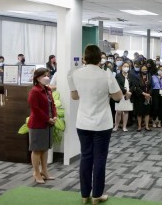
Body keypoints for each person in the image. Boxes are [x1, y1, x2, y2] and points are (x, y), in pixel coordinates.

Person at [68, 45, 123, 204]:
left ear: (84, 58)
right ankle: (97, 195)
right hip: (102, 123)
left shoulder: (74, 73)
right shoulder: (106, 75)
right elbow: (118, 97)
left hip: (83, 122)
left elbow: (74, 96)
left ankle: (85, 194)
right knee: (100, 158)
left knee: (85, 157)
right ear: (101, 58)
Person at [27, 68, 57, 184]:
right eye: (45, 75)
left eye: (48, 75)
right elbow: (35, 109)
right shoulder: (35, 91)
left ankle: (44, 171)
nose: (47, 77)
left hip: (48, 123)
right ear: (38, 78)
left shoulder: (47, 89)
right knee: (36, 150)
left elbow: (52, 104)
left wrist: (54, 116)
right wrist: (47, 119)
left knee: (44, 148)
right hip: (38, 124)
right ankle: (36, 172)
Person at [114, 62, 136, 132]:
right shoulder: (118, 75)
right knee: (118, 111)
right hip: (120, 94)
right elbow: (118, 85)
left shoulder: (131, 76)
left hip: (128, 95)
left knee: (126, 111)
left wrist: (130, 92)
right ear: (122, 67)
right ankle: (116, 126)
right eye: (124, 66)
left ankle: (124, 126)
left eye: (127, 66)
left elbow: (133, 85)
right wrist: (125, 92)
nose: (126, 67)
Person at [134, 65, 152, 131]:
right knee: (139, 112)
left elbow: (152, 86)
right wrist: (144, 94)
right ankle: (139, 126)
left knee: (147, 112)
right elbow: (137, 87)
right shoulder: (137, 77)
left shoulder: (149, 76)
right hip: (140, 96)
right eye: (143, 69)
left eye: (145, 69)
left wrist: (148, 94)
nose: (144, 70)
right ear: (141, 70)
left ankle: (147, 126)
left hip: (148, 97)